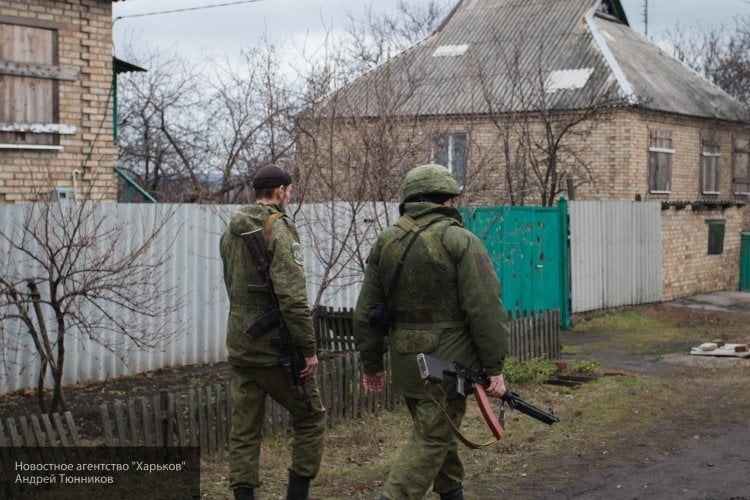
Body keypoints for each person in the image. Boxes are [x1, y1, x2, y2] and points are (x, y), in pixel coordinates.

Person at [354, 163, 509, 500]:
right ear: (447, 201)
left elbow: (367, 311)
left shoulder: (387, 241)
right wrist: (494, 367)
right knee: (432, 438)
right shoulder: (460, 240)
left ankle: (452, 494)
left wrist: (372, 364)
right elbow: (485, 308)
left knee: (438, 432)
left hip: (407, 364)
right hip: (447, 365)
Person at [219, 164, 326, 500]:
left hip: (240, 343)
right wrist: (309, 349)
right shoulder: (278, 228)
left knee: (245, 430)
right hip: (274, 347)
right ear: (280, 191)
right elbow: (293, 299)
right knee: (310, 418)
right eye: (289, 191)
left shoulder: (231, 230)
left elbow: (232, 286)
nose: (289, 196)